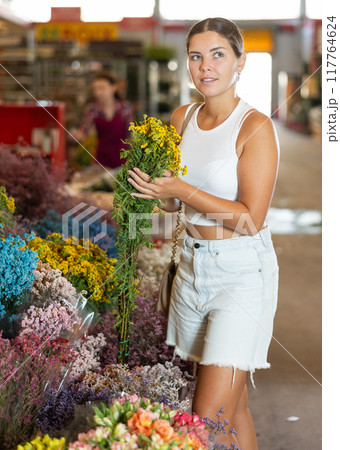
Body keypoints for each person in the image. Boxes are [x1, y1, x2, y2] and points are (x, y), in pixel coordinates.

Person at [126, 17, 280, 449]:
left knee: (205, 419)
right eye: (196, 56)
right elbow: (176, 204)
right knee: (233, 408)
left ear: (239, 62)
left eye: (218, 55)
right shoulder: (182, 117)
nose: (205, 66)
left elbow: (252, 215)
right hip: (192, 270)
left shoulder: (255, 128)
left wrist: (180, 188)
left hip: (240, 277)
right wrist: (156, 190)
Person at [71, 72, 134, 170]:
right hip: (102, 160)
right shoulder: (93, 109)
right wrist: (71, 135)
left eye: (102, 88)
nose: (98, 93)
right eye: (95, 89)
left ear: (113, 88)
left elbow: (131, 135)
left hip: (123, 159)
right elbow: (83, 133)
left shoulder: (125, 108)